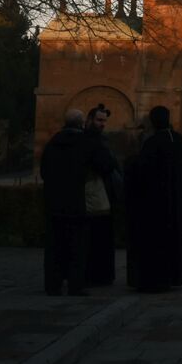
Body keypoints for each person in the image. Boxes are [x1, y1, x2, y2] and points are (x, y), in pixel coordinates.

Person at [40, 109, 113, 296]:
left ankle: (52, 285)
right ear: (82, 124)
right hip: (78, 202)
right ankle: (75, 285)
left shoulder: (52, 143)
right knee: (77, 245)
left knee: (54, 246)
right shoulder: (86, 143)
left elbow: (44, 171)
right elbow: (106, 165)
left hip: (54, 202)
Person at [126, 105, 182, 292]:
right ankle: (177, 275)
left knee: (158, 241)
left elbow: (142, 172)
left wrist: (129, 163)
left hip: (157, 203)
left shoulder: (152, 143)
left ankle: (159, 278)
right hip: (177, 201)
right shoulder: (179, 141)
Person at [83, 104, 123, 287]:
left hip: (103, 194)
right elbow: (105, 164)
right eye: (99, 120)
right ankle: (98, 275)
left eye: (104, 121)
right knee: (96, 237)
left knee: (102, 237)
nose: (102, 124)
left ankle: (101, 275)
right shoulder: (90, 140)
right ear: (89, 120)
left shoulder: (99, 139)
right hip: (94, 195)